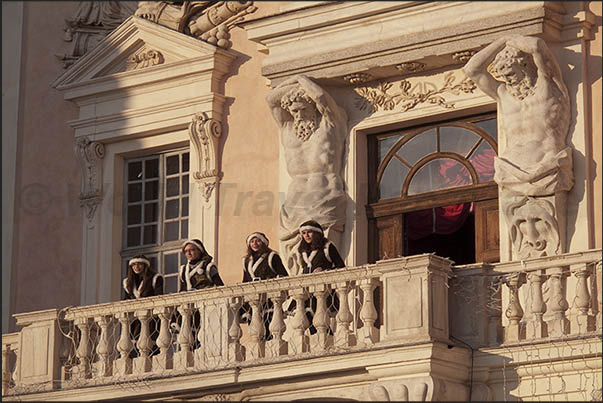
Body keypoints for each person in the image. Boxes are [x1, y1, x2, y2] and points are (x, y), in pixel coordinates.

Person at [463, 35, 572, 197]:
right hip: (510, 173)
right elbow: (471, 70)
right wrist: (502, 40)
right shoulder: (502, 94)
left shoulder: (548, 85)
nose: (508, 80)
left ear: (525, 65)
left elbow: (537, 45)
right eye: (504, 76)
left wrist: (511, 38)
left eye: (511, 74)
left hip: (547, 170)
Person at [266, 74, 348, 276]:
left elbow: (321, 97)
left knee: (325, 253)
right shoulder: (287, 128)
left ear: (312, 106)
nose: (299, 114)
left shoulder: (330, 124)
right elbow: (270, 100)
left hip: (324, 193)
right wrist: (289, 81)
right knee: (297, 261)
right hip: (294, 202)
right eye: (294, 110)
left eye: (304, 108)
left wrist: (301, 79)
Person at [294, 220, 345, 335]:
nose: (306, 235)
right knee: (307, 314)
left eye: (309, 232)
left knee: (320, 315)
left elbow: (340, 266)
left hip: (323, 289)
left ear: (316, 233)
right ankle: (315, 338)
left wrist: (325, 271)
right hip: (307, 289)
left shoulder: (327, 246)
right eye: (304, 233)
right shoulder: (301, 251)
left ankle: (327, 338)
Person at [173, 239, 224, 346]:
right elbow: (182, 288)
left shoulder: (209, 267)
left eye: (192, 250)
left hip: (205, 303)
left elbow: (220, 287)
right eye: (186, 251)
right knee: (190, 331)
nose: (189, 253)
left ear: (199, 251)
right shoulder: (183, 269)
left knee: (203, 330)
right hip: (189, 304)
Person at [240, 232, 289, 340]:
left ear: (263, 242)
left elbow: (283, 274)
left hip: (268, 297)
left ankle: (270, 344)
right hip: (253, 297)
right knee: (254, 324)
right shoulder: (246, 261)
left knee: (269, 322)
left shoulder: (272, 256)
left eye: (258, 241)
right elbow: (245, 280)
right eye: (252, 241)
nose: (255, 244)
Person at [122, 255, 163, 357]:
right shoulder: (128, 283)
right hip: (135, 320)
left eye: (139, 264)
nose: (137, 267)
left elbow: (159, 297)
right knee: (135, 343)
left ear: (145, 265)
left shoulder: (155, 278)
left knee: (151, 343)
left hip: (151, 318)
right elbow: (126, 300)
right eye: (134, 265)